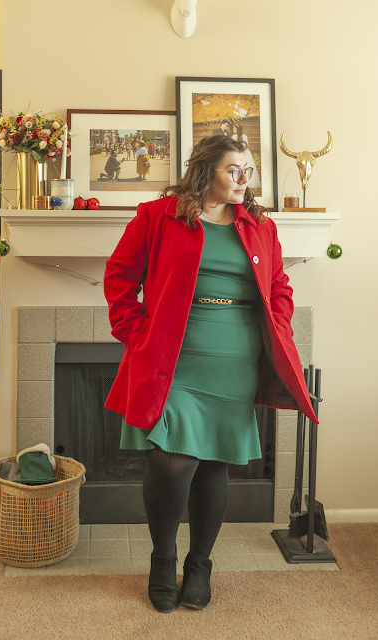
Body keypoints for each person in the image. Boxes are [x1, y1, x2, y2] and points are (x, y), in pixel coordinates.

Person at [104, 135, 317, 614]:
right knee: (171, 461)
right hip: (172, 355)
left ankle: (200, 563)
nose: (245, 180)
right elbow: (119, 275)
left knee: (215, 463)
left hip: (234, 356)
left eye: (248, 170)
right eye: (233, 170)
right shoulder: (157, 216)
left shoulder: (260, 225)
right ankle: (163, 559)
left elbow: (279, 284)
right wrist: (135, 332)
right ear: (205, 172)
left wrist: (279, 322)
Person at [232, 122, 261, 190]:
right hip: (238, 151)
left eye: (234, 128)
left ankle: (249, 183)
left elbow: (246, 145)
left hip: (244, 152)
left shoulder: (244, 136)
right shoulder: (234, 137)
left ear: (237, 129)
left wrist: (241, 150)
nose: (233, 129)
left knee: (247, 166)